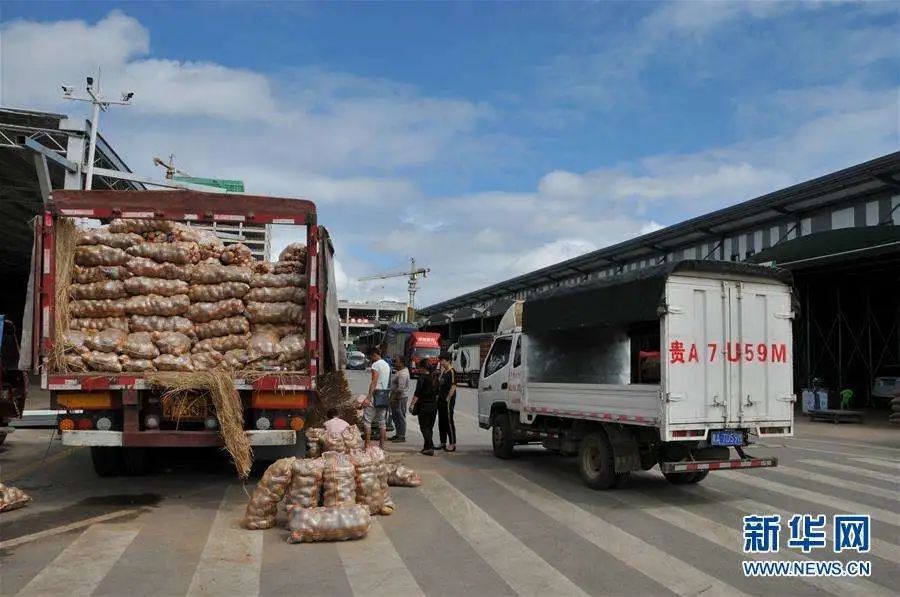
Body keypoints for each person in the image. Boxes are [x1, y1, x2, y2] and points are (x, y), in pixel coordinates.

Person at [364, 348, 391, 448]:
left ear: (374, 354)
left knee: (367, 421)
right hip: (384, 396)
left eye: (370, 357)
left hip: (375, 395)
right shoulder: (387, 365)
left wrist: (368, 398)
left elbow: (374, 381)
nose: (370, 359)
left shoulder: (376, 364)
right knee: (382, 422)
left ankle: (367, 445)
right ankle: (382, 446)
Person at [410, 358, 438, 455]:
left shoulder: (422, 378)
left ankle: (430, 447)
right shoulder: (434, 377)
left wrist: (412, 404)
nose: (418, 369)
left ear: (423, 368)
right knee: (429, 428)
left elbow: (417, 393)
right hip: (433, 406)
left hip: (424, 406)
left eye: (419, 367)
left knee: (424, 427)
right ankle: (426, 446)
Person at [437, 352, 457, 452]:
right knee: (441, 421)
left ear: (448, 360)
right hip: (440, 399)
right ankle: (442, 442)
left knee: (449, 421)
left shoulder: (452, 372)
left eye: (442, 361)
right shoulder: (443, 371)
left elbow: (453, 386)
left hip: (448, 400)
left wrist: (448, 397)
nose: (441, 362)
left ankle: (452, 443)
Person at [389, 356, 411, 443]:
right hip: (397, 396)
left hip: (400, 397)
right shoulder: (400, 371)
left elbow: (400, 389)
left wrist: (393, 398)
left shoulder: (403, 374)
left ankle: (402, 435)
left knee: (400, 416)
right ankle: (398, 434)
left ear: (402, 363)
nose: (395, 363)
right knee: (395, 416)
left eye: (397, 361)